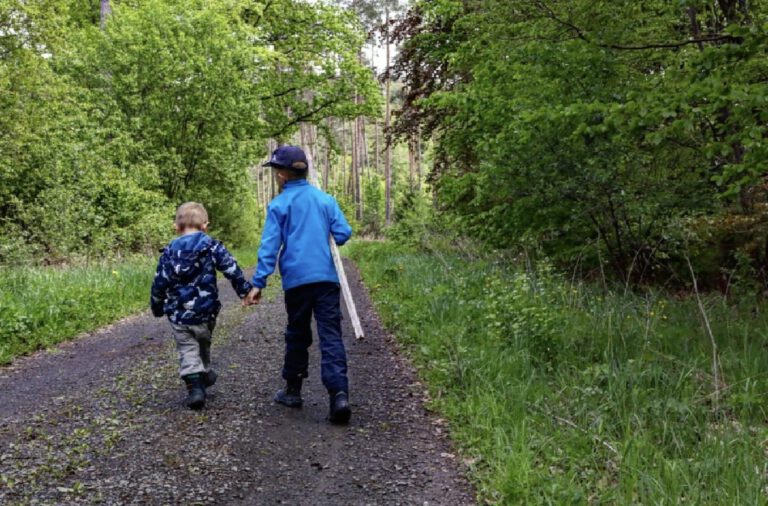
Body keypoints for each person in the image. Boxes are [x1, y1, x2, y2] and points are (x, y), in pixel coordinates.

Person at [243, 145, 353, 424]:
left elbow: (270, 246)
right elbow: (343, 233)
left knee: (297, 333)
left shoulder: (279, 205)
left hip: (296, 283)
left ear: (281, 175)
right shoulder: (325, 200)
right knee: (330, 336)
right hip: (327, 280)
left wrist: (259, 283)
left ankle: (293, 390)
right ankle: (339, 395)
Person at [151, 202, 252, 410]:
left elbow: (159, 282)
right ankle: (199, 380)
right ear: (205, 225)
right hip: (206, 313)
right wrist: (245, 291)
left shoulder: (169, 252)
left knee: (188, 348)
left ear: (176, 227)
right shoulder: (212, 246)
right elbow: (231, 268)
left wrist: (157, 305)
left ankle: (196, 382)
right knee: (202, 343)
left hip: (179, 315)